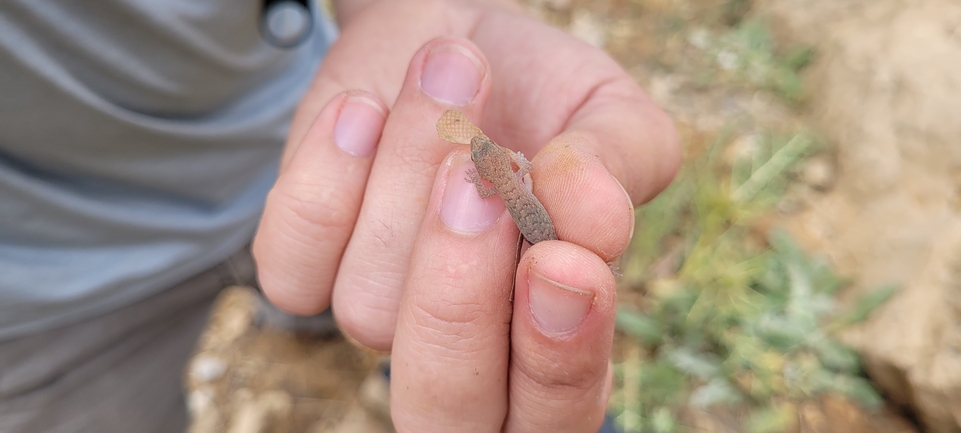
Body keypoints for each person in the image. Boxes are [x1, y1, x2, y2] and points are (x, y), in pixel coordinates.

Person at [0, 0, 679, 432]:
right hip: (43, 291)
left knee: (400, 293)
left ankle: (367, 337)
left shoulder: (483, 166)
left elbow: (495, 180)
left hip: (324, 144)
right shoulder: (488, 166)